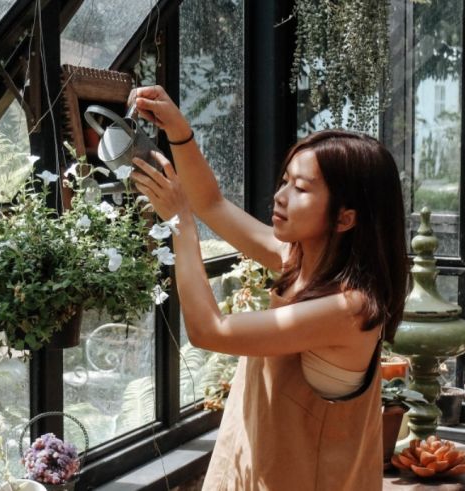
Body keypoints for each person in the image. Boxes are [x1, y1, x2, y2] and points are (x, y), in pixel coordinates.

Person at [128, 85, 408, 490]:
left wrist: (180, 224)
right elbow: (213, 204)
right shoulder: (298, 261)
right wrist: (178, 131)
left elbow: (210, 331)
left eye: (301, 188)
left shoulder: (350, 309)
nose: (279, 196)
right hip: (256, 468)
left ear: (345, 219)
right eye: (285, 180)